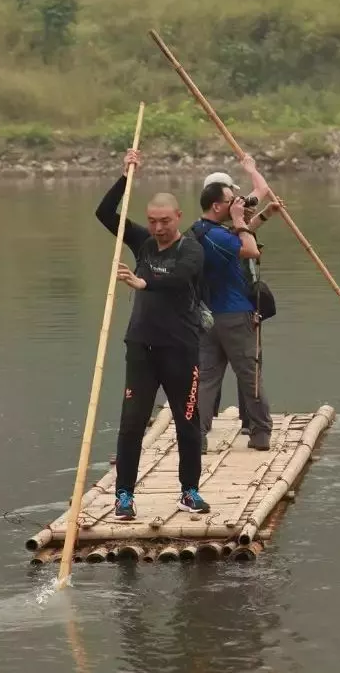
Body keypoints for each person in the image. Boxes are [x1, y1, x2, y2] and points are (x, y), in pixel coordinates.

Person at [94, 149, 209, 520]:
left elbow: (179, 277)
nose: (158, 228)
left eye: (165, 221)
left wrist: (145, 281)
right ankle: (124, 497)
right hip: (141, 348)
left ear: (179, 217)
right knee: (131, 424)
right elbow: (104, 213)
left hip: (180, 348)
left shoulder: (192, 249)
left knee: (187, 423)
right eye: (153, 221)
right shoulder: (142, 242)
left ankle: (189, 491)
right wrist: (126, 176)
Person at [190, 155, 277, 451]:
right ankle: (260, 432)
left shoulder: (198, 232)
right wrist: (240, 219)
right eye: (230, 200)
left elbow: (259, 194)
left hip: (206, 317)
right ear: (217, 205)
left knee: (206, 379)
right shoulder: (218, 235)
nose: (236, 203)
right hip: (234, 315)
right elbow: (251, 249)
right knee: (249, 374)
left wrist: (252, 172)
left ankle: (197, 435)